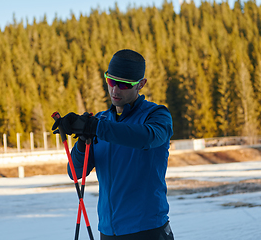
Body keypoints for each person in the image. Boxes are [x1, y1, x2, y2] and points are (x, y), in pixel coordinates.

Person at [52, 49, 174, 240]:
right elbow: (75, 173)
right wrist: (83, 142)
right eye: (111, 81)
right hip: (108, 231)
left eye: (124, 85)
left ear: (141, 84)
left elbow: (148, 138)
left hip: (147, 230)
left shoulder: (156, 116)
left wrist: (96, 127)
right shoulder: (101, 121)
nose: (115, 90)